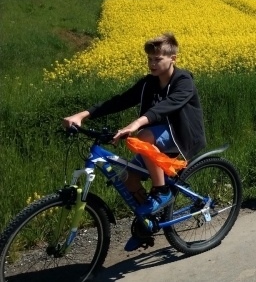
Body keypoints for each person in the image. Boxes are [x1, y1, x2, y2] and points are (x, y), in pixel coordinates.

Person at [62, 32, 206, 250]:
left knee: (144, 136)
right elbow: (120, 101)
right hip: (157, 138)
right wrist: (82, 115)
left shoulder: (183, 81)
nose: (152, 63)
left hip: (182, 136)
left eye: (157, 59)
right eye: (149, 59)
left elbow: (165, 107)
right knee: (128, 178)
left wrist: (136, 124)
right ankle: (146, 223)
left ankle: (161, 191)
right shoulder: (149, 83)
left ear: (173, 59)